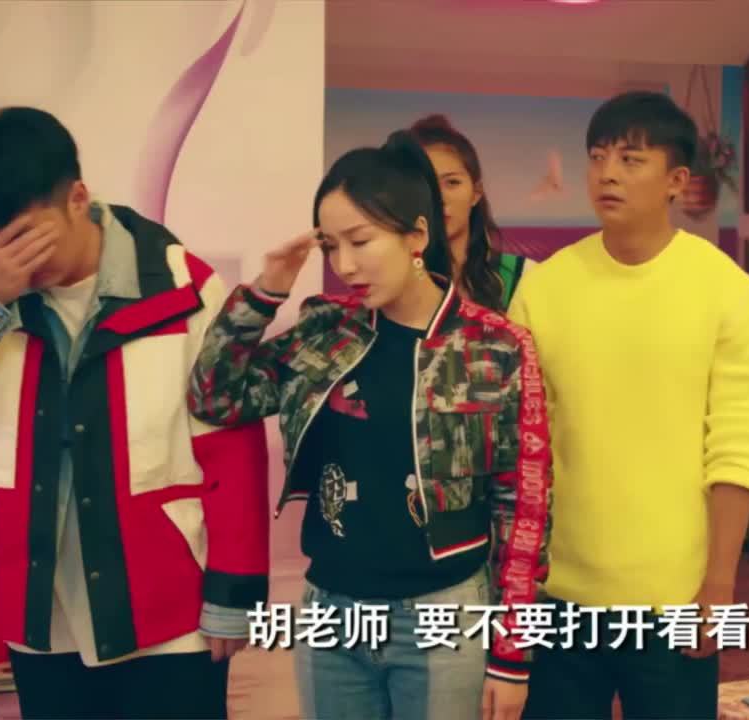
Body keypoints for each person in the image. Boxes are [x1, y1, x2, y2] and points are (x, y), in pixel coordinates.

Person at [0, 107, 270, 719]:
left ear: (78, 199)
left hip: (167, 609)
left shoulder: (184, 287)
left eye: (30, 238)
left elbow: (231, 444)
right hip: (36, 608)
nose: (15, 261)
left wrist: (235, 591)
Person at [186, 129, 553, 720]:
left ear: (417, 236)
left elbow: (524, 506)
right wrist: (265, 292)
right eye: (331, 246)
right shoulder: (327, 328)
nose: (345, 265)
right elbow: (215, 397)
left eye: (360, 241)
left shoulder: (495, 344)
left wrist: (511, 657)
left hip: (442, 611)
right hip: (331, 609)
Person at [507, 91, 749, 719]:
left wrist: (719, 584)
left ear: (676, 181)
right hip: (559, 592)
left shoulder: (728, 292)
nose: (607, 173)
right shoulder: (545, 289)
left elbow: (737, 448)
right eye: (597, 157)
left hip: (675, 597)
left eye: (631, 160)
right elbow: (523, 445)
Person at [409, 114, 533, 311]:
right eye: (425, 184)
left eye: (452, 182)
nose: (439, 197)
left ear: (476, 193)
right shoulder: (388, 284)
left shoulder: (524, 277)